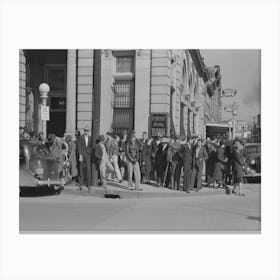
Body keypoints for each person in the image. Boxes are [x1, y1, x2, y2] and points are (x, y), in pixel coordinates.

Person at [77, 124, 92, 191]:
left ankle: (88, 184)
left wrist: (89, 152)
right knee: (81, 169)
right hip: (82, 155)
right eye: (85, 130)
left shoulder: (90, 138)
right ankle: (81, 184)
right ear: (84, 130)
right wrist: (80, 155)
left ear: (89, 131)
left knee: (88, 169)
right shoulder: (80, 137)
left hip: (88, 155)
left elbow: (91, 146)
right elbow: (79, 147)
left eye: (87, 130)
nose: (86, 131)